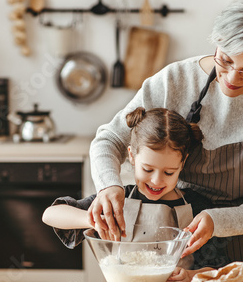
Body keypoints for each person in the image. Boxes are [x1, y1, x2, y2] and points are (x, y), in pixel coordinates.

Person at [87, 0, 243, 282]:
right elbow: (110, 139)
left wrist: (218, 220)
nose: (232, 78)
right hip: (181, 254)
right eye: (226, 60)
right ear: (217, 42)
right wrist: (109, 184)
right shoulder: (175, 81)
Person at [42, 107, 211, 255]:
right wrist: (92, 220)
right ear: (131, 156)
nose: (156, 180)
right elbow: (50, 214)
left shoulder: (196, 206)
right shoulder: (116, 202)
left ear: (183, 163)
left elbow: (217, 264)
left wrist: (190, 275)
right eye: (148, 169)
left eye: (169, 172)